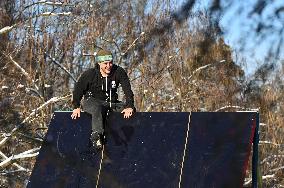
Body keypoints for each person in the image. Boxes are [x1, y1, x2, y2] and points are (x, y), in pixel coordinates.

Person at [71, 49, 135, 149]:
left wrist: (129, 106)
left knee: (127, 109)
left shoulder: (118, 72)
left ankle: (125, 138)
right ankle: (96, 136)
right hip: (92, 102)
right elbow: (78, 90)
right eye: (105, 63)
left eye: (110, 63)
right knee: (98, 108)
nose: (108, 66)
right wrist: (76, 106)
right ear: (99, 63)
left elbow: (128, 90)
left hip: (110, 103)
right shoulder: (90, 74)